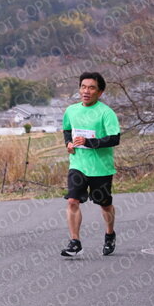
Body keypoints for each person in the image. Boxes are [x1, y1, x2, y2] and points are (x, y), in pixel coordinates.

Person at [61, 72, 120, 257]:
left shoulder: (106, 113)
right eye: (83, 87)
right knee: (72, 201)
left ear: (100, 92)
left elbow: (114, 138)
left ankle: (110, 234)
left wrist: (89, 142)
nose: (86, 91)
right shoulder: (71, 110)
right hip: (78, 164)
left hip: (101, 167)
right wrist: (68, 143)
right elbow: (67, 130)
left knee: (105, 204)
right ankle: (75, 242)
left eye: (91, 88)